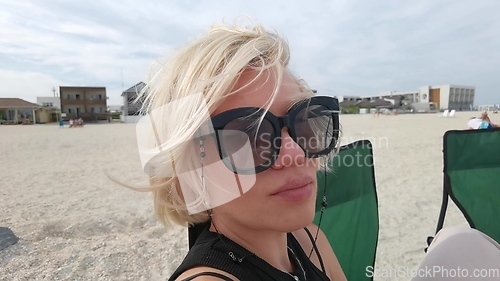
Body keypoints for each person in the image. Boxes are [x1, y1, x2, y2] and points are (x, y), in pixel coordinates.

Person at [135, 20, 345, 281]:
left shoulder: (311, 241)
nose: (296, 152)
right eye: (250, 134)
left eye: (303, 120)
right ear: (190, 168)